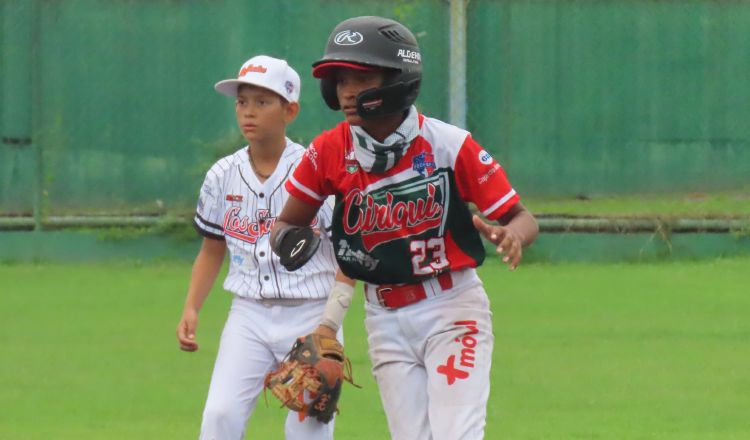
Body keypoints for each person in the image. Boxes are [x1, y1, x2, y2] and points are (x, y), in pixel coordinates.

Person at [270, 16, 539, 440]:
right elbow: (286, 223)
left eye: (362, 76)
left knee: (457, 434)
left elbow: (522, 217)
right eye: (340, 80)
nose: (348, 91)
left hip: (452, 309)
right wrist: (289, 240)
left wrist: (513, 235)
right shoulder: (328, 151)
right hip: (385, 317)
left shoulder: (448, 144)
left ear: (398, 78)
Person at [176, 54, 348, 440]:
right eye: (241, 101)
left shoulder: (316, 169)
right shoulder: (222, 175)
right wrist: (191, 306)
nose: (248, 112)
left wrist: (331, 324)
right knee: (219, 417)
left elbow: (345, 256)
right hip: (248, 316)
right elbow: (211, 249)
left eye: (262, 101)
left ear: (290, 110)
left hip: (310, 314)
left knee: (308, 428)